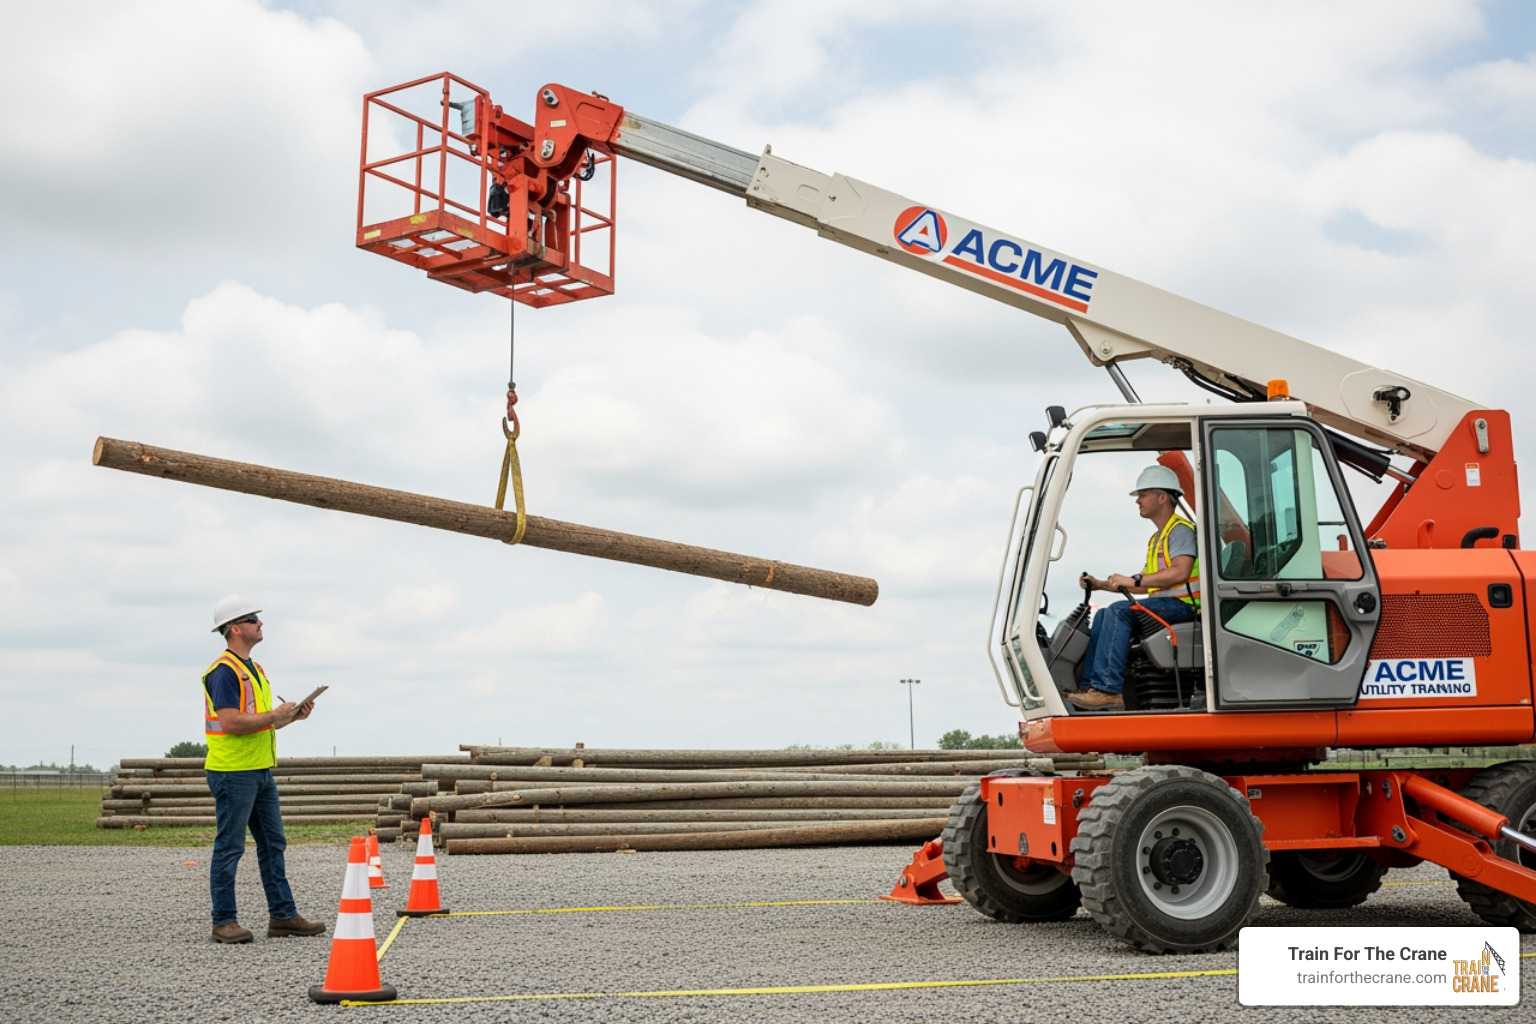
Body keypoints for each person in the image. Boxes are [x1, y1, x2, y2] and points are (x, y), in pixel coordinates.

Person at [203, 595, 326, 944]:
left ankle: (283, 916)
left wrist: (290, 718)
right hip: (232, 772)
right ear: (236, 628)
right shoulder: (224, 672)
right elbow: (230, 723)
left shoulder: (255, 670)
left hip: (258, 771)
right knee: (230, 847)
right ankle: (223, 921)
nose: (260, 623)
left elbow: (259, 725)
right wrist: (275, 715)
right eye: (254, 619)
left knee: (273, 843)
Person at [1069, 466, 1200, 710]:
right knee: (1105, 614)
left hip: (1184, 608)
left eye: (1143, 494)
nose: (1137, 500)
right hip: (1164, 606)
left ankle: (1108, 689)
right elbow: (1143, 584)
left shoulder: (1180, 530)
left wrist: (1133, 581)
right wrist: (1099, 584)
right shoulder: (1157, 538)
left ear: (1162, 497)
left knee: (1119, 611)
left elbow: (1180, 571)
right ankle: (1091, 687)